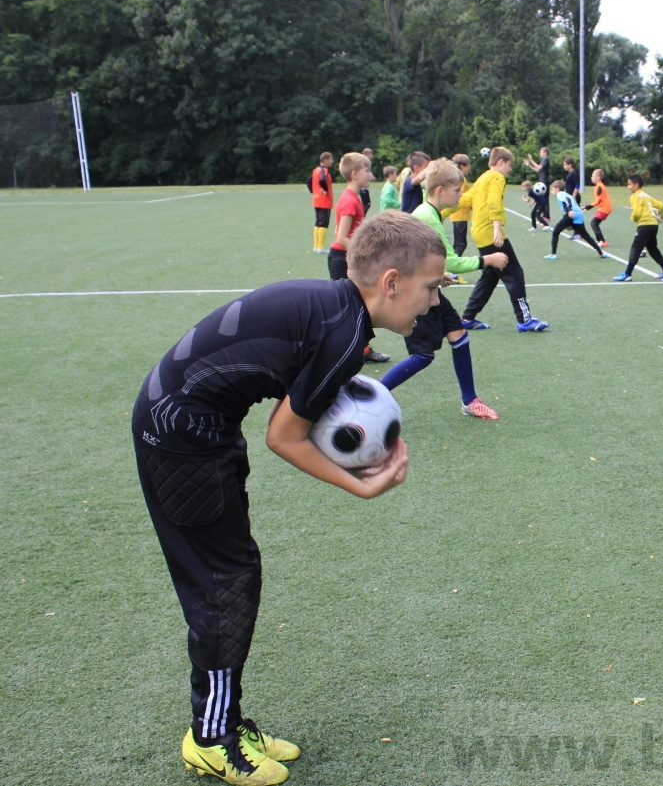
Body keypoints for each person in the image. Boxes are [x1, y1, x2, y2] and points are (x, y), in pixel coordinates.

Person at [133, 212, 445, 786]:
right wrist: (361, 483)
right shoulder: (345, 333)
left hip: (195, 427)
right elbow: (284, 436)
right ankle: (210, 738)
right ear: (392, 281)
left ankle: (223, 718)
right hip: (180, 435)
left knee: (232, 574)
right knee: (224, 585)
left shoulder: (336, 309)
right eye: (429, 287)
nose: (431, 303)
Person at [380, 159, 510, 419]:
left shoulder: (427, 212)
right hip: (415, 296)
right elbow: (450, 259)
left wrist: (439, 276)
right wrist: (488, 260)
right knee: (423, 355)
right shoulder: (428, 217)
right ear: (440, 191)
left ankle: (470, 401)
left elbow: (425, 260)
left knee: (459, 335)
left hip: (430, 291)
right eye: (456, 191)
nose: (460, 195)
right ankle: (372, 393)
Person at [459, 147, 550, 333]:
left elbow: (465, 199)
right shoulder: (496, 178)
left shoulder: (483, 177)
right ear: (501, 162)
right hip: (490, 234)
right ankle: (525, 320)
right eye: (509, 165)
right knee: (514, 273)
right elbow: (493, 202)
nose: (510, 169)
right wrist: (497, 229)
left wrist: (437, 210)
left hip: (479, 233)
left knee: (490, 276)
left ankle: (467, 317)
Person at [332, 153, 390, 363]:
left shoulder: (353, 197)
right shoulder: (349, 200)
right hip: (342, 258)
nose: (371, 175)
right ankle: (356, 350)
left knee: (357, 306)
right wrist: (364, 255)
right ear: (355, 174)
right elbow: (340, 237)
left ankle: (360, 348)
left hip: (345, 257)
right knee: (353, 307)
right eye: (367, 170)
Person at [613, 174, 663, 282]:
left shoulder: (635, 196)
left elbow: (636, 213)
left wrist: (633, 218)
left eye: (629, 184)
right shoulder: (646, 195)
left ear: (636, 185)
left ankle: (627, 274)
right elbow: (661, 205)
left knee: (635, 248)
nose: (628, 187)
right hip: (653, 225)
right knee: (653, 250)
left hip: (645, 225)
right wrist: (662, 217)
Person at [547, 180, 606, 259]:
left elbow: (567, 200)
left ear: (557, 188)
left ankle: (553, 254)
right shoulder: (565, 194)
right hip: (578, 214)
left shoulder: (560, 194)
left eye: (552, 189)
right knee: (585, 235)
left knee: (555, 231)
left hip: (572, 214)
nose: (551, 191)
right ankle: (601, 252)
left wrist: (569, 210)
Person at [448, 154, 474, 257]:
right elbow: (462, 197)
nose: (469, 167)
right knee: (461, 244)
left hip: (458, 215)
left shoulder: (457, 178)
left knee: (458, 244)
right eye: (468, 165)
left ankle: (450, 267)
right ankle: (452, 269)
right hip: (460, 215)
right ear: (463, 166)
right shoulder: (461, 179)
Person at [309, 152, 334, 253]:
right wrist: (325, 189)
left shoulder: (316, 170)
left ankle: (316, 246)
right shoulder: (324, 170)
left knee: (318, 222)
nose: (332, 161)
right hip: (324, 201)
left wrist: (314, 191)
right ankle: (321, 247)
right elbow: (322, 180)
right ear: (325, 160)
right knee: (324, 223)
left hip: (316, 199)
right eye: (330, 159)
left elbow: (308, 181)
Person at [588, 168, 612, 248]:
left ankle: (602, 241)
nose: (591, 177)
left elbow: (597, 201)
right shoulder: (599, 186)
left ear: (598, 178)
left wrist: (587, 207)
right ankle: (600, 240)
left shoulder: (599, 187)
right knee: (594, 223)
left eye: (593, 176)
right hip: (603, 207)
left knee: (594, 223)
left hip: (605, 208)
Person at [359, 148, 374, 214]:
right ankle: (361, 218)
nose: (372, 155)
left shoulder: (366, 163)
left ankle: (362, 217)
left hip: (364, 187)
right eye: (371, 154)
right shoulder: (363, 163)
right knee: (366, 204)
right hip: (362, 188)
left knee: (367, 204)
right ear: (368, 154)